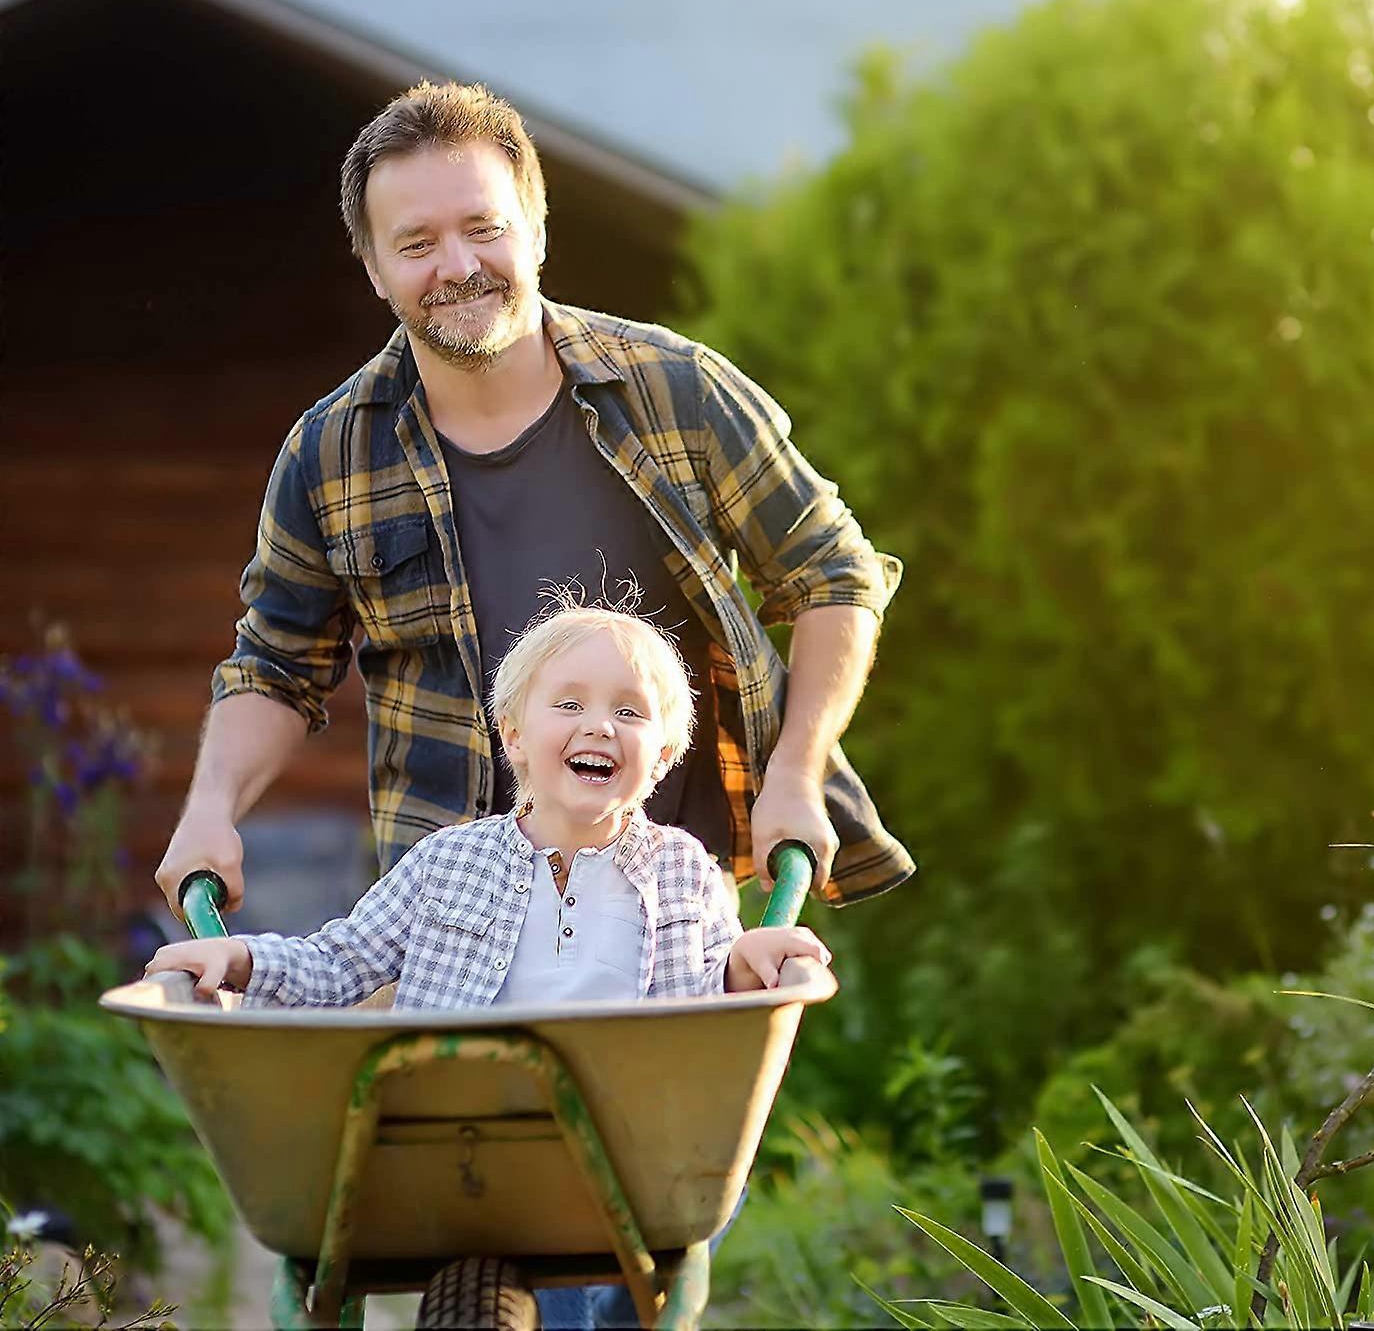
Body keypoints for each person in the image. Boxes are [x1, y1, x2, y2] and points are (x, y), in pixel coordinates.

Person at [154, 80, 914, 925]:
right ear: (373, 270)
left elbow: (831, 576)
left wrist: (797, 774)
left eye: (484, 228)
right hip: (453, 925)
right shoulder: (330, 453)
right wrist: (209, 807)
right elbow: (275, 666)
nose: (457, 266)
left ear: (538, 230)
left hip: (679, 911)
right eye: (417, 243)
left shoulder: (676, 391)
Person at [147, 604, 826, 1330]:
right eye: (569, 704)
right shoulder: (448, 862)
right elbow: (340, 961)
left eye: (630, 712)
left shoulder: (683, 870)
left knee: (628, 1266)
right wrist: (240, 957)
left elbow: (709, 1000)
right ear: (515, 736)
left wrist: (747, 966)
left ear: (660, 756)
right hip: (459, 1145)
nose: (599, 725)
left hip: (633, 1153)